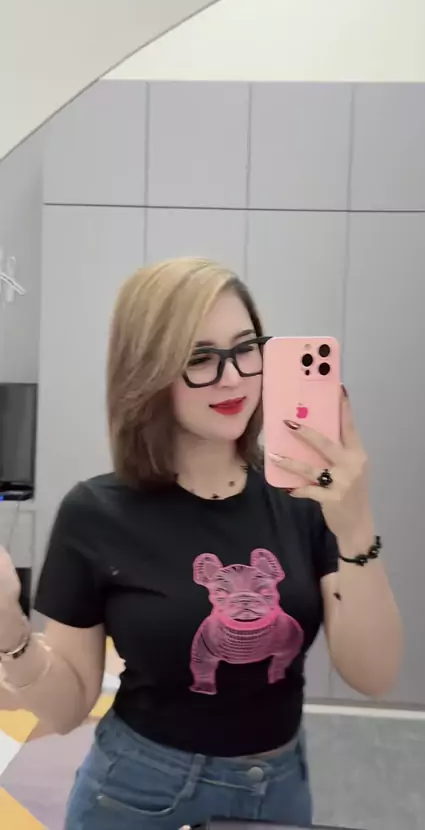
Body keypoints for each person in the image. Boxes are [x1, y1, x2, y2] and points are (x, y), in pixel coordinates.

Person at [0, 258, 403, 829]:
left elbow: (374, 675)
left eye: (245, 349)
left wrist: (357, 526)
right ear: (149, 371)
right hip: (137, 793)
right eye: (199, 359)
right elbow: (66, 709)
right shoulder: (94, 514)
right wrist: (9, 632)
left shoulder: (304, 500)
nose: (232, 377)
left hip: (279, 791)